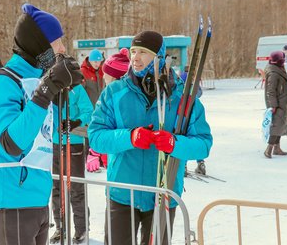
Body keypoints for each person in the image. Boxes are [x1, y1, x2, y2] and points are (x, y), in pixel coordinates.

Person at [88, 31, 213, 245]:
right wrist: (130, 137)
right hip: (122, 193)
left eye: (143, 52)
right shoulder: (114, 93)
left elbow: (203, 144)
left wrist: (176, 144)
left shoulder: (182, 98)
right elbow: (96, 137)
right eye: (133, 51)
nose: (135, 57)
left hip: (163, 194)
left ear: (160, 57)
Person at [0, 3, 82, 245]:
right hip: (10, 199)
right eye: (57, 41)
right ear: (39, 44)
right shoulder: (2, 83)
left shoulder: (35, 82)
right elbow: (12, 143)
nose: (62, 48)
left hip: (37, 197)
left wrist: (62, 95)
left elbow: (41, 136)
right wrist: (46, 91)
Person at [50, 84, 93, 244]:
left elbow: (89, 111)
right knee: (56, 187)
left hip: (73, 142)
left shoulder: (77, 89)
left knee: (75, 187)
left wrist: (75, 122)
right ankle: (60, 227)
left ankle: (81, 228)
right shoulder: (51, 88)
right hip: (54, 143)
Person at [86, 48, 130, 173]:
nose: (103, 75)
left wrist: (94, 151)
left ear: (114, 76)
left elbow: (107, 126)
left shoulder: (113, 95)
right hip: (118, 155)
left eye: (106, 72)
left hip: (121, 158)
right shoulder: (122, 93)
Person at [179, 68, 206, 176]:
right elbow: (199, 93)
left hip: (185, 114)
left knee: (185, 139)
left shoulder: (181, 79)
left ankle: (184, 166)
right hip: (195, 113)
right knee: (197, 138)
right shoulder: (194, 82)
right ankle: (201, 163)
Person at [264, 50, 287, 158]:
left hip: (283, 102)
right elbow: (271, 91)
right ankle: (269, 149)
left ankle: (277, 148)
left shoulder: (279, 69)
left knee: (281, 125)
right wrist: (273, 105)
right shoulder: (274, 73)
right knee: (276, 126)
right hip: (277, 104)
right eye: (282, 60)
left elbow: (282, 88)